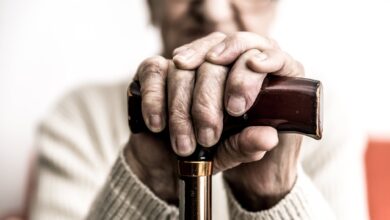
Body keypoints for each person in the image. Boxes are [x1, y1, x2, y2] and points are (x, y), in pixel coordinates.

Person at [27, 0, 369, 219]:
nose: (213, 10)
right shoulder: (80, 117)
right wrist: (146, 180)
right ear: (149, 5)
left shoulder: (317, 114)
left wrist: (273, 194)